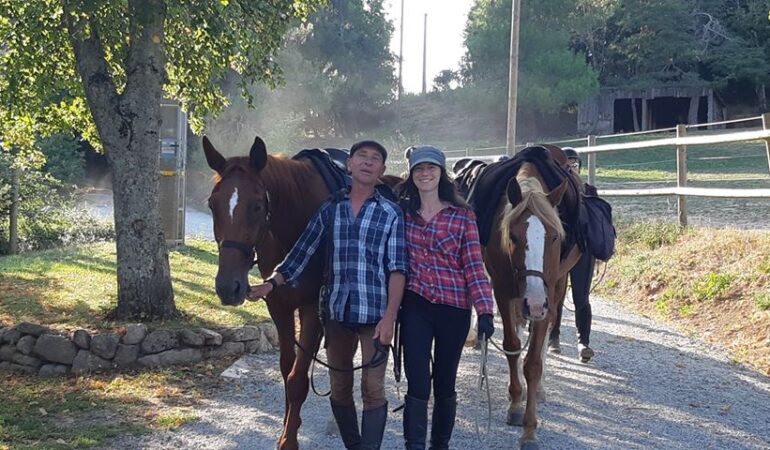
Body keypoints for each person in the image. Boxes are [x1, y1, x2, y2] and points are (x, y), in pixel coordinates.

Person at [249, 140, 408, 450]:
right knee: (339, 389)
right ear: (349, 165)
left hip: (375, 315)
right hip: (337, 314)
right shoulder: (330, 208)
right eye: (361, 156)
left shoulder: (391, 213)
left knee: (373, 389)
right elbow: (302, 253)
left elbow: (398, 268)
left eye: (375, 159)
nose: (367, 162)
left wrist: (390, 317)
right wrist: (271, 283)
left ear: (382, 170)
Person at [396, 146, 495, 450]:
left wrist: (485, 310)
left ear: (442, 173)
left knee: (444, 381)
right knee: (418, 383)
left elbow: (474, 266)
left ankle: (440, 444)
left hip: (454, 307)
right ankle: (414, 445)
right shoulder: (403, 214)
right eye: (419, 169)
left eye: (431, 168)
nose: (425, 174)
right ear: (412, 175)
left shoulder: (463, 216)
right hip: (416, 306)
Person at [548, 147, 596, 362]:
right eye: (565, 164)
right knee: (554, 295)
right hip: (557, 249)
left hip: (582, 250)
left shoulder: (589, 190)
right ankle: (553, 337)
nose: (569, 167)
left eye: (574, 164)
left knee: (581, 297)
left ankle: (583, 342)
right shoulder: (552, 194)